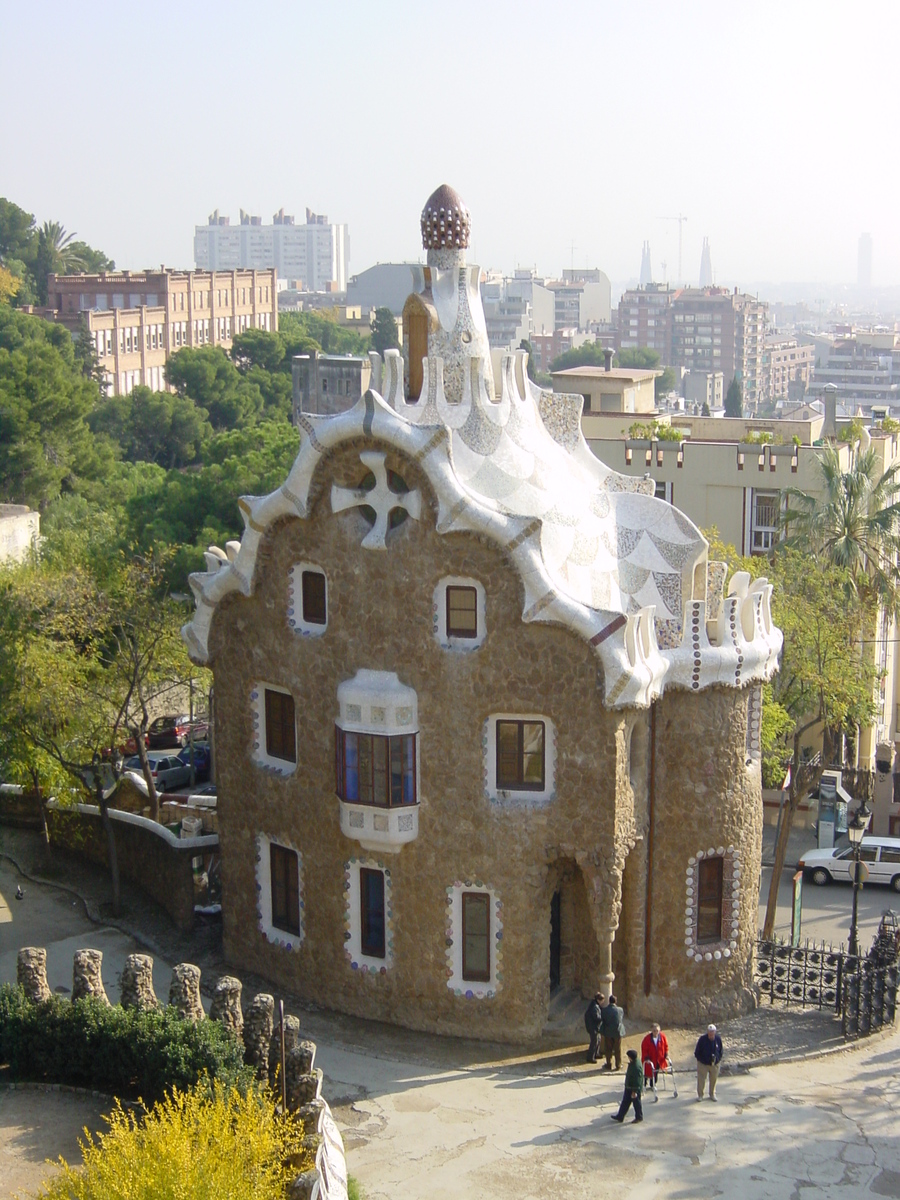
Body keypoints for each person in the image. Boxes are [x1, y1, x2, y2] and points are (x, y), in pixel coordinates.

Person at [610, 1048, 643, 1124]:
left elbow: (637, 1080)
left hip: (633, 1088)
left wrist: (634, 1091)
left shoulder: (636, 1067)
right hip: (629, 1087)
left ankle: (639, 1117)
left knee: (636, 1103)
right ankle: (620, 1116)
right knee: (625, 1102)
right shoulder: (634, 1063)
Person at [694, 1023, 723, 1101]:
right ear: (707, 1032)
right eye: (710, 1034)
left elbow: (720, 1050)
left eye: (712, 1034)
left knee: (713, 1079)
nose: (711, 1036)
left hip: (715, 1064)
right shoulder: (702, 1039)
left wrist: (718, 1059)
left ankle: (712, 1094)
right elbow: (697, 1052)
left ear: (715, 1032)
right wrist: (701, 1060)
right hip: (703, 1064)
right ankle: (700, 1095)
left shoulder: (718, 1039)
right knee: (701, 1080)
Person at [640, 1023, 669, 1094]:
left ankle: (653, 1085)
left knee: (655, 1072)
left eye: (657, 1030)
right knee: (646, 1073)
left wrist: (666, 1053)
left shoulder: (662, 1037)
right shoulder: (647, 1039)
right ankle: (643, 1085)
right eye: (654, 1031)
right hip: (649, 1059)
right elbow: (644, 1049)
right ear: (651, 1031)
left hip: (658, 1059)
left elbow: (666, 1046)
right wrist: (646, 1057)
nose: (655, 1032)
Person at [600, 993, 625, 1071]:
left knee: (608, 1048)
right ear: (615, 1001)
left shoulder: (604, 1010)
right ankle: (618, 1064)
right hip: (618, 1032)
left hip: (608, 1032)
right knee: (617, 1049)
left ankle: (608, 1064)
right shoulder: (620, 1010)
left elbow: (603, 1020)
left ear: (609, 1001)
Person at [584, 992, 604, 1063]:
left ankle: (596, 1053)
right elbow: (596, 1017)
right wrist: (603, 1018)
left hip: (595, 1027)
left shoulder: (595, 1005)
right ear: (599, 1000)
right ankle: (590, 1057)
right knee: (594, 1042)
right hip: (593, 1027)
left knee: (598, 1040)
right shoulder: (594, 1007)